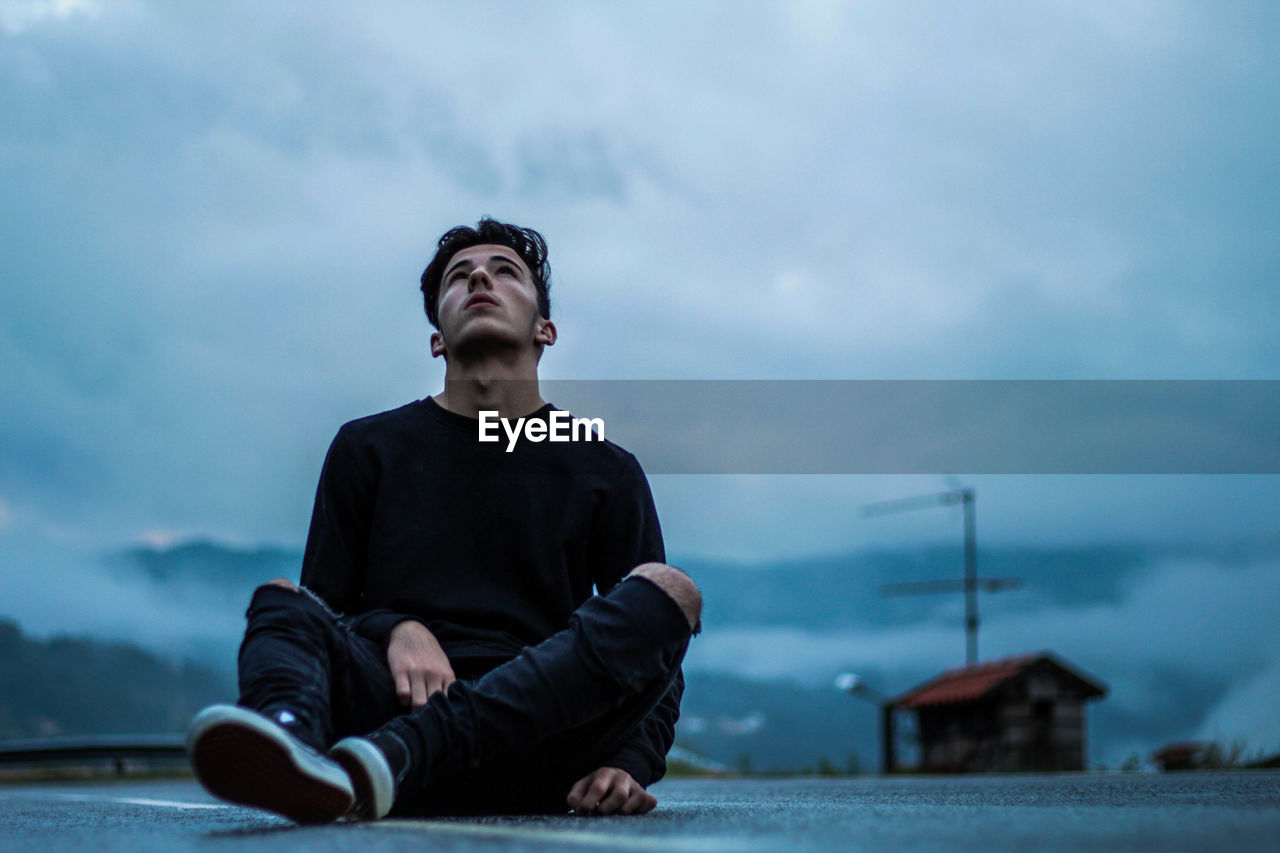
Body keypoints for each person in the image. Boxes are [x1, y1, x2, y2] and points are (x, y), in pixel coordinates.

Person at [186, 218, 702, 823]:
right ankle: (292, 753)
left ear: (546, 329)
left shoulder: (604, 468)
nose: (480, 276)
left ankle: (389, 759)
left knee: (670, 591)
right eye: (460, 277)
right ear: (437, 338)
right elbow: (324, 614)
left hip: (540, 741)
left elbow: (656, 661)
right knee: (281, 600)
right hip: (388, 718)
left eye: (506, 272)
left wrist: (630, 762)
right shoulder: (367, 447)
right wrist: (396, 626)